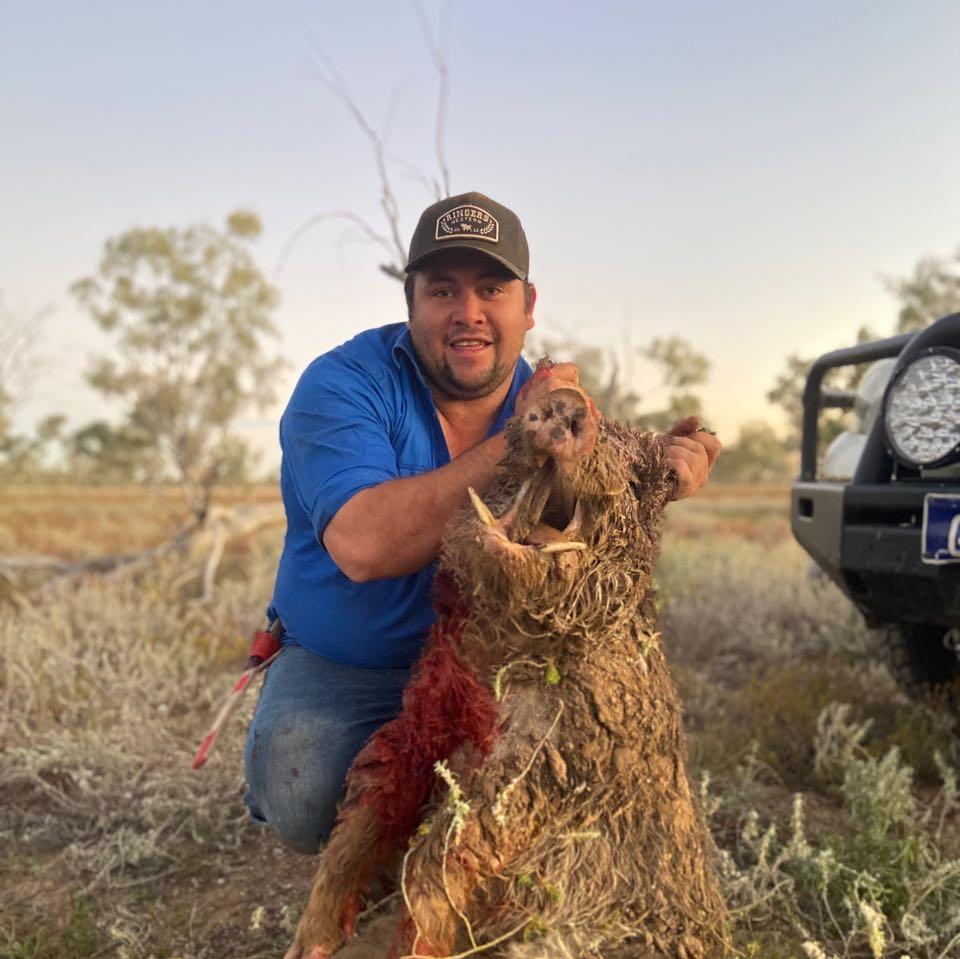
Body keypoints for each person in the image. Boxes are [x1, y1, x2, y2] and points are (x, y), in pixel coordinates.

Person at [244, 192, 720, 854]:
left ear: (528, 306)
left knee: (577, 782)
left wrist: (667, 471)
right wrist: (527, 435)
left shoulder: (555, 404)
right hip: (352, 662)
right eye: (443, 291)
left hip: (497, 662)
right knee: (304, 789)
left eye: (491, 289)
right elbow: (363, 544)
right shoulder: (341, 385)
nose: (468, 312)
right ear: (411, 303)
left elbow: (598, 508)